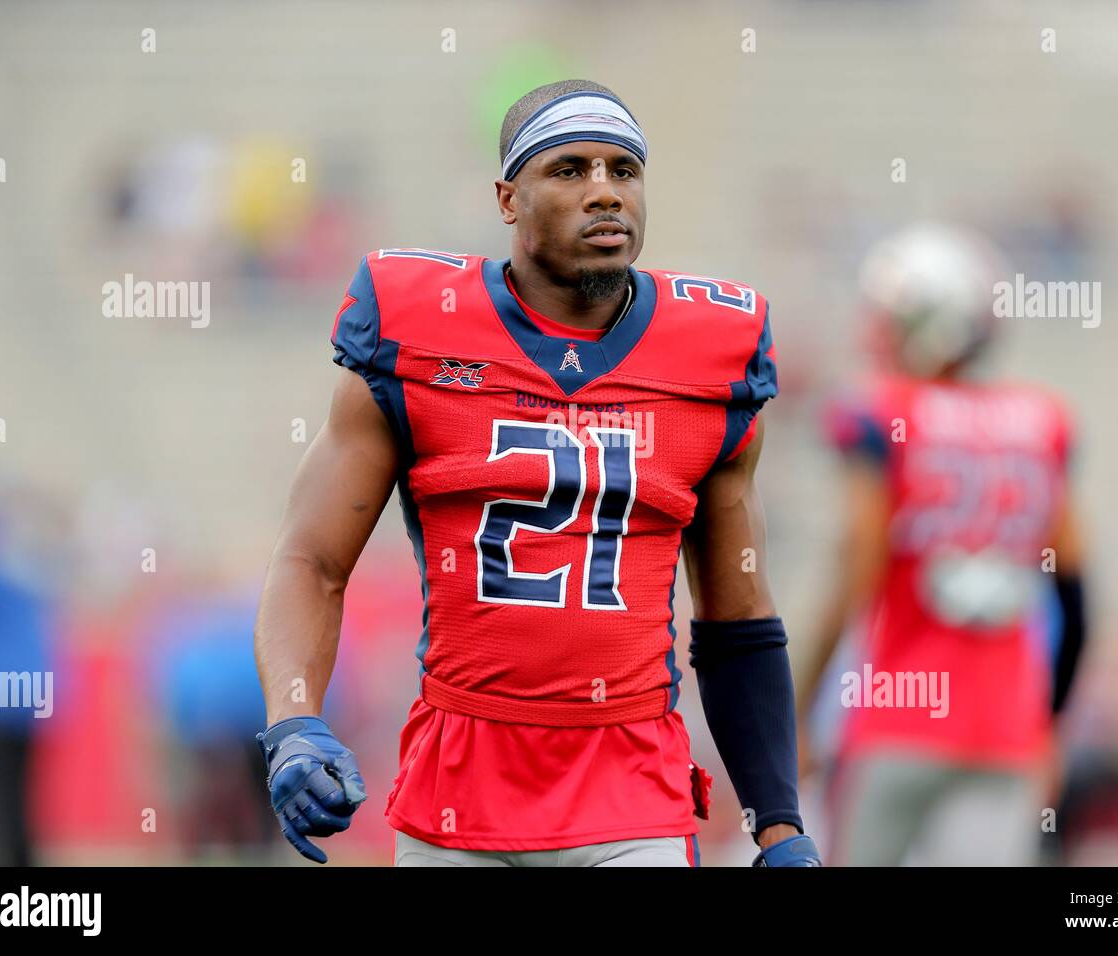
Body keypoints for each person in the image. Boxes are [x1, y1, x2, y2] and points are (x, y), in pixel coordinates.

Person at [253, 80, 820, 867]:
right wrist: (293, 722)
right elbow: (311, 561)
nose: (604, 192)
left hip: (631, 788)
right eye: (569, 169)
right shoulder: (415, 327)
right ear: (508, 197)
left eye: (624, 170)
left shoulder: (712, 356)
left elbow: (737, 619)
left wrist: (778, 821)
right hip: (458, 786)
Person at [795, 222, 1088, 866]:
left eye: (891, 318)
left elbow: (856, 573)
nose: (874, 335)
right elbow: (1075, 593)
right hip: (1006, 732)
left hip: (895, 720)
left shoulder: (882, 413)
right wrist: (1050, 724)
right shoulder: (1043, 420)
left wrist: (803, 702)